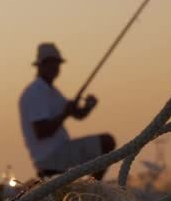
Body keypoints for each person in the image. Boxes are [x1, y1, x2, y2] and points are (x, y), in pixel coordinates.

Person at [18, 42, 117, 181]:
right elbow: (41, 131)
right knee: (106, 142)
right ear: (40, 65)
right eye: (51, 63)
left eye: (57, 63)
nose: (55, 67)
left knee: (104, 145)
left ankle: (92, 187)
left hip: (59, 152)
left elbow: (77, 114)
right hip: (51, 156)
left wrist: (88, 106)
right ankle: (94, 188)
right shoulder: (35, 92)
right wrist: (65, 114)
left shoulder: (51, 91)